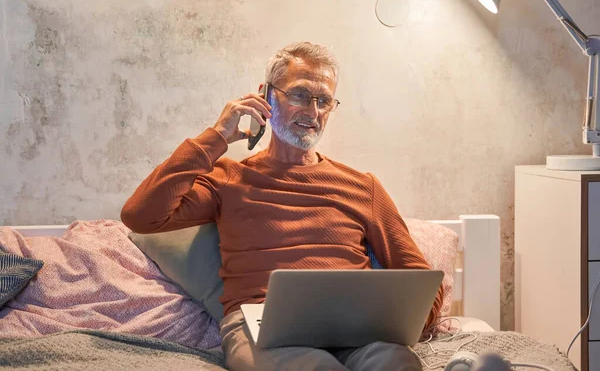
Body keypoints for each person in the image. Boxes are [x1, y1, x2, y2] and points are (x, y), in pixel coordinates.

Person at [121, 42, 443, 371]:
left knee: (396, 361)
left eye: (324, 101)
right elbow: (141, 215)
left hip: (354, 331)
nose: (313, 112)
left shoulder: (363, 187)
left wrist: (397, 323)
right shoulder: (229, 178)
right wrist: (218, 135)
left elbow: (421, 282)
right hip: (263, 331)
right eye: (300, 95)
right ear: (266, 95)